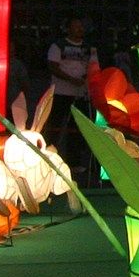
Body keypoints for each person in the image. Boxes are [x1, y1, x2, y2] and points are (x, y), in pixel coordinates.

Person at [45, 18, 98, 167]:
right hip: (61, 92)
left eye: (81, 26)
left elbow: (94, 66)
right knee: (55, 125)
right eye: (76, 26)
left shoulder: (89, 48)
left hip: (81, 93)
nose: (79, 29)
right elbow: (53, 66)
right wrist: (70, 79)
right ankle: (49, 157)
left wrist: (85, 77)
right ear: (68, 29)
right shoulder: (58, 46)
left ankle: (74, 162)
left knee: (77, 129)